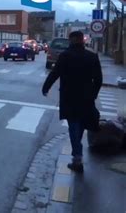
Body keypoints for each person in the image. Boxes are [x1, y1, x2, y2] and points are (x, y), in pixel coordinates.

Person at [42, 31, 103, 173]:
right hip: (86, 98)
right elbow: (98, 79)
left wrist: (46, 87)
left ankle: (77, 157)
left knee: (74, 126)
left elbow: (54, 73)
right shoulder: (92, 56)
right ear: (82, 40)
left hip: (69, 97)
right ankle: (77, 154)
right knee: (80, 125)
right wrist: (93, 94)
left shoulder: (65, 56)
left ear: (71, 40)